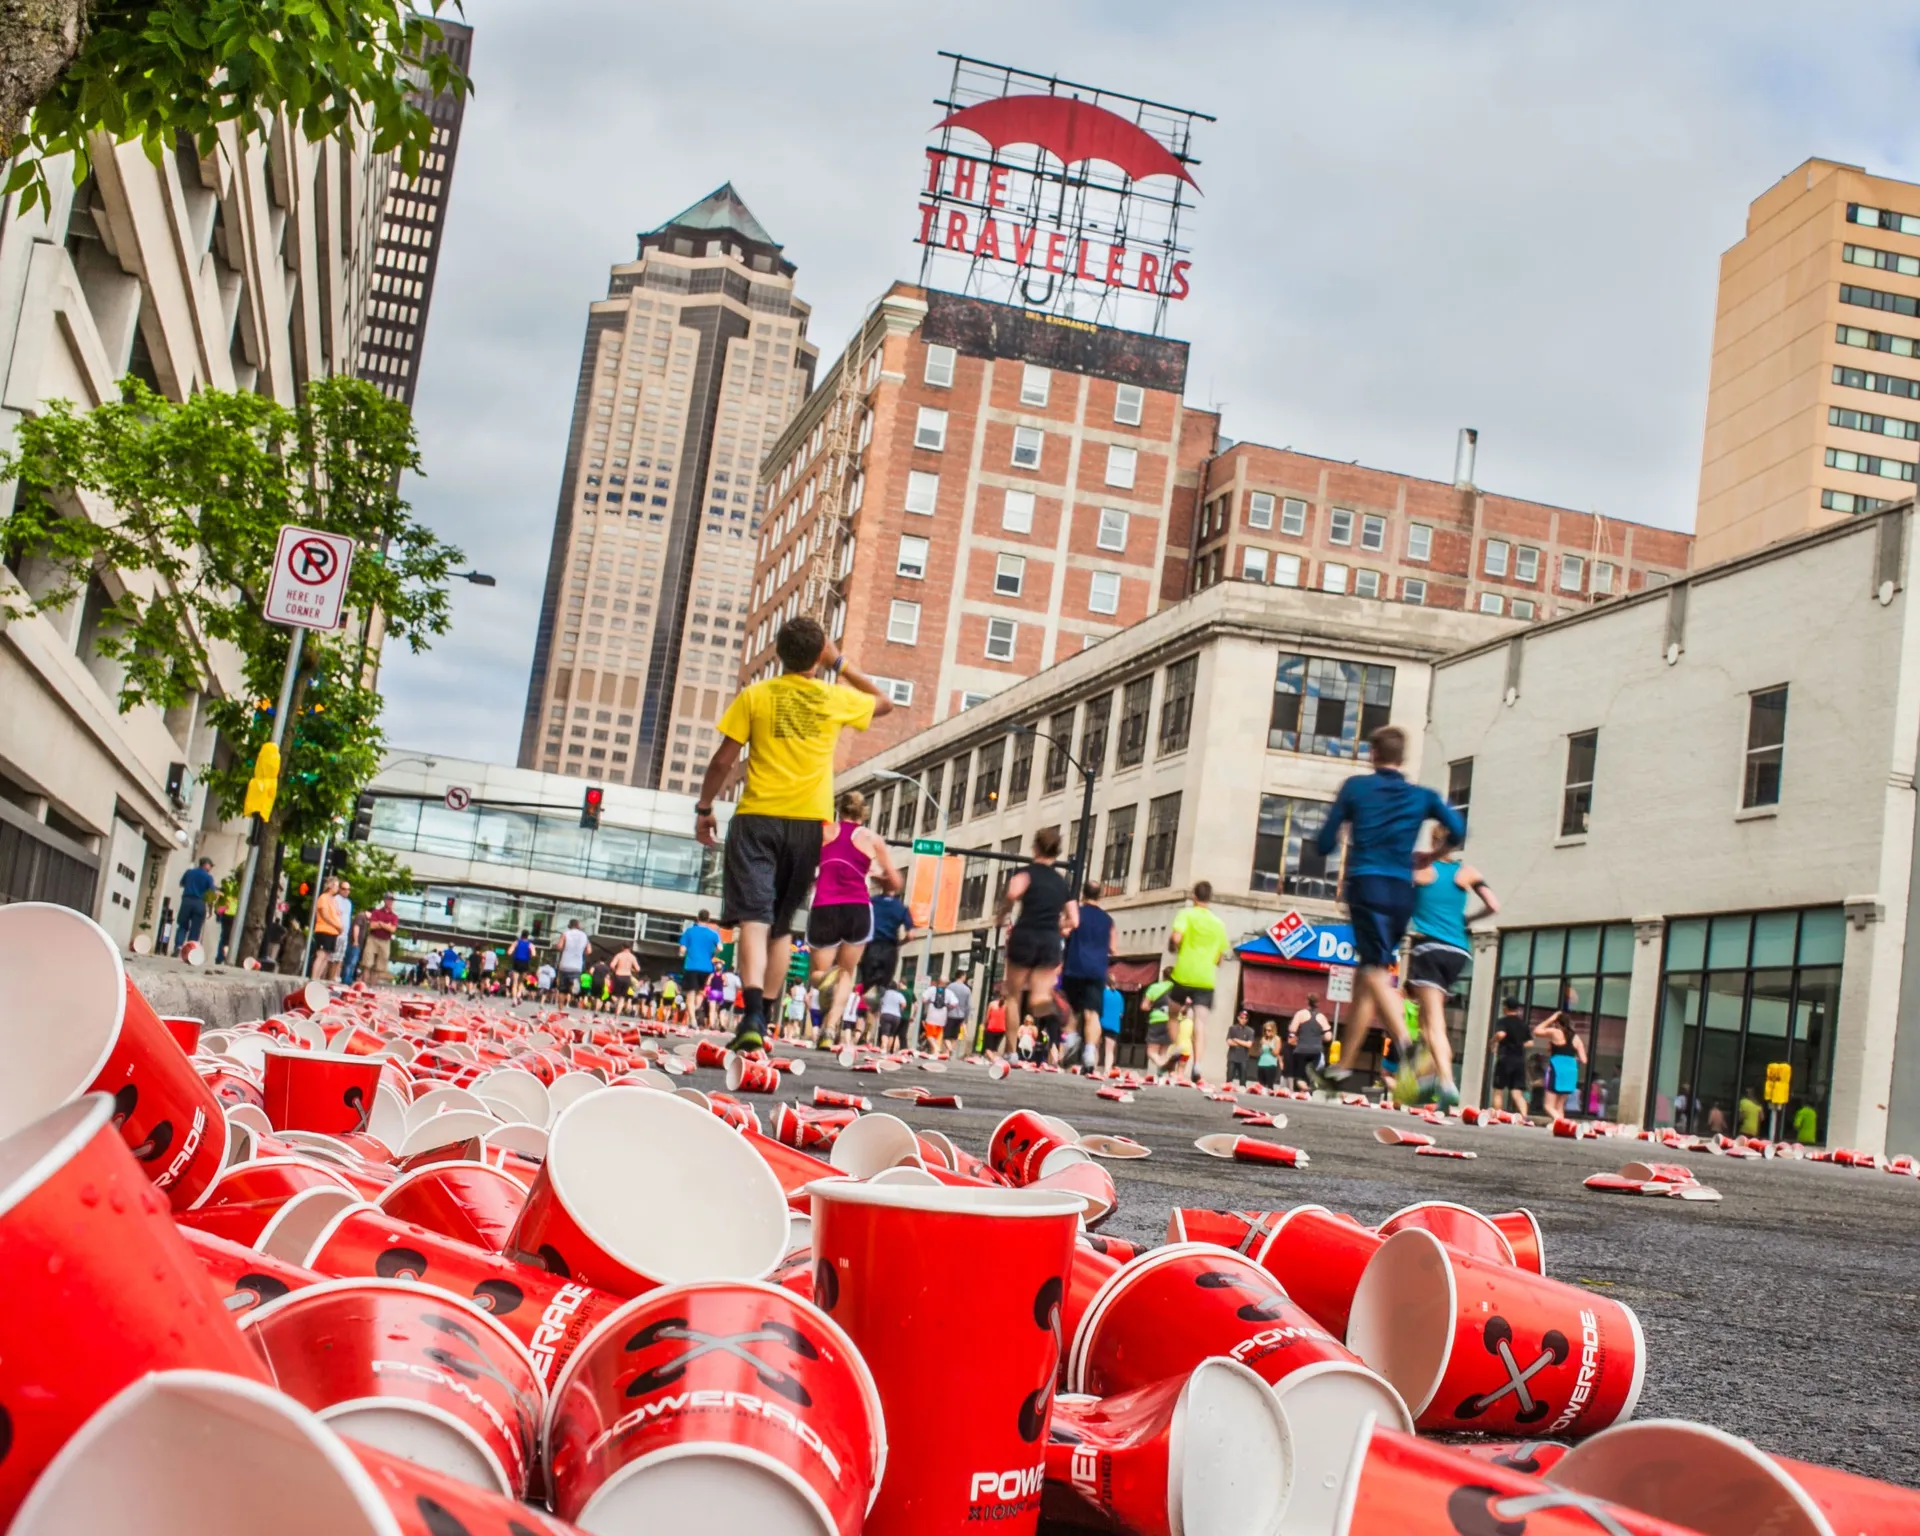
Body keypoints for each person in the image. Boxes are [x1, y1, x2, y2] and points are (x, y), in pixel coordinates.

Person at [694, 616, 893, 1053]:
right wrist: (839, 662)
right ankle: (764, 1015)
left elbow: (723, 761)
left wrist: (705, 808)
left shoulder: (755, 696)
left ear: (779, 652)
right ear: (818, 654)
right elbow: (884, 702)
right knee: (781, 925)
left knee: (754, 918)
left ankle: (750, 1014)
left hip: (757, 817)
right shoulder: (832, 697)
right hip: (808, 825)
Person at [1314, 725, 1467, 1094]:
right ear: (1403, 757)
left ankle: (1408, 1047)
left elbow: (1323, 842)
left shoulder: (1356, 788)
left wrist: (1337, 837)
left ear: (1373, 754)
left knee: (1372, 971)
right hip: (1401, 894)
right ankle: (1342, 1068)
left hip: (1368, 885)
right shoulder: (1421, 796)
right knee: (1370, 976)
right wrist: (1432, 854)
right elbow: (1458, 828)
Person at [1407, 826, 1499, 1108]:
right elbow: (1493, 905)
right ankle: (1429, 1084)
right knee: (1426, 1020)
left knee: (1434, 1022)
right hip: (1458, 951)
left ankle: (1446, 1082)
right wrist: (1467, 920)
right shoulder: (1466, 872)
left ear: (1432, 841)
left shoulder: (1420, 871)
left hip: (1429, 948)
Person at [806, 789, 902, 1054]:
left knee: (818, 975)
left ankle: (827, 985)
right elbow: (895, 882)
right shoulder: (872, 839)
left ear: (839, 809)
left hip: (824, 905)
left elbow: (806, 866)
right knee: (847, 973)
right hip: (857, 908)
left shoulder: (823, 832)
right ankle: (829, 1030)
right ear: (864, 813)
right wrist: (877, 876)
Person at [998, 826, 1078, 1063]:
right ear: (1057, 852)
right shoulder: (1062, 883)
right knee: (1039, 1000)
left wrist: (1002, 915)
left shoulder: (1026, 873)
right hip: (1049, 940)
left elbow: (1012, 893)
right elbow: (1074, 920)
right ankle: (1069, 1024)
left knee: (1013, 996)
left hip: (1025, 936)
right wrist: (1058, 924)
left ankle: (1011, 1052)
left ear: (1035, 848)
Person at [1166, 881, 1228, 1083]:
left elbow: (1176, 938)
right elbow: (1220, 959)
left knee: (1173, 1014)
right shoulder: (1218, 923)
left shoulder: (1186, 914)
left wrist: (1179, 947)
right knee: (1200, 1023)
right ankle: (1198, 1065)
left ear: (1194, 896)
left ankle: (1177, 1046)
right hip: (1205, 979)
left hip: (1184, 973)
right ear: (1210, 898)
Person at [1062, 882, 1116, 1062]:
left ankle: (1071, 1038)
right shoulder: (1108, 920)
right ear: (1100, 895)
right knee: (1092, 1013)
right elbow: (1113, 948)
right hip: (1097, 970)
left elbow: (1065, 931)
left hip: (1074, 966)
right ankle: (1090, 1051)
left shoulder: (1076, 913)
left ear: (1083, 894)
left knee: (1072, 1008)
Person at [1532, 1007, 1586, 1120]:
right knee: (1559, 1106)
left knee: (1548, 1106)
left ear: (1557, 1022)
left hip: (1556, 1069)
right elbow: (1584, 1059)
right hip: (1571, 1072)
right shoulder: (1576, 1038)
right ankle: (1561, 1126)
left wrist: (1551, 1018)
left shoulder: (1555, 1032)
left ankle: (1564, 1123)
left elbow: (1536, 1031)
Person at [1489, 998, 1532, 1116]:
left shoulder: (1503, 1021)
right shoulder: (1523, 1024)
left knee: (1498, 1090)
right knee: (1517, 1093)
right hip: (1519, 1060)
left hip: (1505, 1059)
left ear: (1505, 1008)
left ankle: (1497, 1115)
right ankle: (1524, 1117)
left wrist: (1493, 1041)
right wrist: (1518, 1045)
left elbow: (1501, 1034)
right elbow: (1530, 1042)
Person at [677, 911, 722, 1005]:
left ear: (697, 918)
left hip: (692, 966)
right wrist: (713, 954)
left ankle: (692, 1014)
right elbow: (720, 948)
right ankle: (697, 1008)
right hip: (707, 968)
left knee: (691, 993)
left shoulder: (689, 931)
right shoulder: (713, 933)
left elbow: (682, 950)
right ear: (708, 920)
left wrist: (682, 954)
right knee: (700, 992)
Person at [174, 857, 216, 955]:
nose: (211, 868)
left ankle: (178, 946)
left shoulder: (189, 872)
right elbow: (211, 895)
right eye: (210, 866)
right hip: (199, 903)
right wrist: (210, 910)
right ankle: (189, 951)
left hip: (186, 901)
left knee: (182, 925)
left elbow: (181, 884)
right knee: (195, 929)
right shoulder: (208, 877)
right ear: (206, 865)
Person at [1287, 996, 1330, 1090]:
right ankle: (1310, 1087)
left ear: (1307, 1002)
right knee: (1311, 1073)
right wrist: (1319, 1038)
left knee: (1299, 1075)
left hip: (1301, 1050)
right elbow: (1328, 1037)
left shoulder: (1300, 1014)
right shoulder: (1321, 1017)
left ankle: (1304, 1088)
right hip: (1316, 1051)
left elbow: (1292, 1029)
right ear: (1318, 1004)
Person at [1142, 966, 1176, 1081]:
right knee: (1163, 1052)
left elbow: (1144, 1006)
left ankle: (1164, 1065)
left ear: (1163, 976)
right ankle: (1161, 1076)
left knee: (1151, 1052)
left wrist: (1152, 1006)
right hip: (1172, 1021)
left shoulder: (1155, 987)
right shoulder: (1178, 990)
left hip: (1157, 1020)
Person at [310, 878, 344, 979]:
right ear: (330, 886)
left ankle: (318, 978)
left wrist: (339, 927)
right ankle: (313, 977)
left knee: (326, 956)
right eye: (336, 886)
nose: (337, 888)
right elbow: (325, 915)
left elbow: (336, 914)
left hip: (333, 932)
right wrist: (337, 925)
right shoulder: (323, 898)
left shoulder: (334, 900)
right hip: (324, 930)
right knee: (321, 955)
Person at [363, 895, 399, 985]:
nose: (390, 902)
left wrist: (380, 923)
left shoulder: (394, 916)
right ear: (385, 900)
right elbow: (372, 926)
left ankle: (372, 987)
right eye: (388, 899)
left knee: (379, 967)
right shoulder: (376, 912)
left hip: (385, 940)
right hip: (373, 938)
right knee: (367, 964)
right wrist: (387, 925)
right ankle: (363, 985)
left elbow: (393, 929)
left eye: (392, 900)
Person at [556, 919, 590, 1002]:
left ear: (569, 925)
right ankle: (573, 986)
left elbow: (559, 947)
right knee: (574, 985)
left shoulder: (565, 934)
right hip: (577, 966)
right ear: (578, 925)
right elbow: (589, 951)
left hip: (564, 964)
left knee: (562, 990)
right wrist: (581, 952)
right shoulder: (584, 936)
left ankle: (560, 1008)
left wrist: (565, 949)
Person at [943, 973, 973, 1056]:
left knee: (945, 1036)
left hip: (950, 1014)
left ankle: (949, 1049)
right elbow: (968, 1006)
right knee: (954, 1036)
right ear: (962, 976)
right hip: (961, 1016)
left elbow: (945, 1000)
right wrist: (966, 1019)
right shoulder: (967, 989)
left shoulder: (949, 987)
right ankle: (948, 1052)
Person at [1098, 984, 1125, 1074]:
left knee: (1096, 1047)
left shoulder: (1101, 993)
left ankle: (1092, 1069)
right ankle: (1107, 1071)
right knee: (1109, 1051)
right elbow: (1121, 1014)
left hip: (1100, 1023)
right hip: (1113, 1025)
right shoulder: (1119, 996)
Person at [609, 943, 641, 1016]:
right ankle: (617, 1015)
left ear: (622, 947)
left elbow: (612, 965)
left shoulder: (619, 955)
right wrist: (631, 969)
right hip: (627, 977)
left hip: (618, 975)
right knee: (622, 997)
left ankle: (616, 1003)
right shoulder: (632, 957)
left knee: (614, 995)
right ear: (630, 948)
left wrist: (615, 970)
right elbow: (638, 969)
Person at [1226, 1010, 1255, 1085]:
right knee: (1229, 1078)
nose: (1243, 1020)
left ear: (1247, 1020)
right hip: (1232, 1057)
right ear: (1238, 1018)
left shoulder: (1250, 1031)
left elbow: (1249, 1045)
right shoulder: (1232, 1028)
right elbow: (1229, 1042)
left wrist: (1236, 1040)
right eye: (1241, 1018)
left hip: (1243, 1059)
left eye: (1245, 1018)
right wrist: (1243, 1043)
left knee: (1243, 1080)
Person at [921, 981, 949, 1057]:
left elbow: (923, 999)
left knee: (929, 1034)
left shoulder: (931, 990)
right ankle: (935, 1052)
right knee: (937, 1035)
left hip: (931, 1016)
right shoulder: (947, 992)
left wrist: (929, 1001)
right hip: (942, 1017)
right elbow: (954, 1003)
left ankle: (936, 1048)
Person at [877, 983, 907, 1049]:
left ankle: (884, 1047)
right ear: (896, 988)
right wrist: (900, 1010)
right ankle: (888, 1050)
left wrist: (880, 1010)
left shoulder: (885, 993)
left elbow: (880, 1002)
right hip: (896, 1016)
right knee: (891, 1034)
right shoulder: (899, 995)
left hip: (886, 1014)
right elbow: (904, 1004)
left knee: (885, 1033)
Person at [508, 931, 536, 1001]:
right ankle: (519, 994)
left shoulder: (516, 942)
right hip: (525, 963)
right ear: (528, 936)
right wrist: (529, 954)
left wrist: (514, 954)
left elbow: (509, 952)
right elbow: (533, 954)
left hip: (516, 962)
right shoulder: (530, 944)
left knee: (515, 982)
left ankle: (514, 999)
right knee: (521, 982)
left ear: (521, 935)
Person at [1256, 1020, 1283, 1089]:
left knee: (1269, 1086)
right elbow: (1259, 1053)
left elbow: (1276, 1053)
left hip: (1271, 1064)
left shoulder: (1277, 1039)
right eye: (1265, 1030)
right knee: (1261, 1086)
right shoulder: (1263, 1038)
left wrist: (1268, 1044)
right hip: (1261, 1063)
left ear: (1273, 1030)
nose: (1267, 1032)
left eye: (1269, 1030)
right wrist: (1261, 1047)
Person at [984, 995, 1009, 1061]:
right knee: (994, 1047)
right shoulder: (1006, 1006)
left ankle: (993, 1060)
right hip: (1001, 1029)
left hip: (991, 1027)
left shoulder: (992, 1004)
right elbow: (1007, 1018)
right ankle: (994, 1059)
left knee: (988, 1048)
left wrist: (984, 1025)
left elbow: (987, 1017)